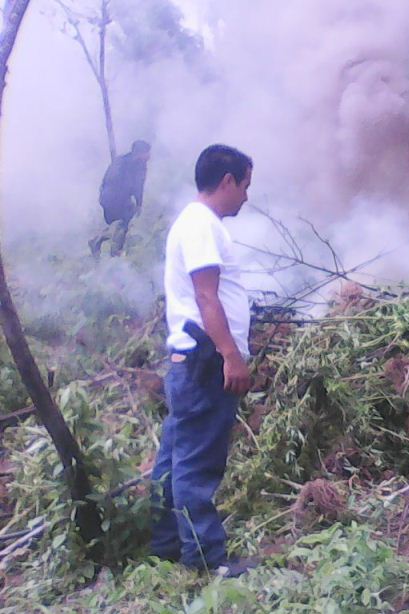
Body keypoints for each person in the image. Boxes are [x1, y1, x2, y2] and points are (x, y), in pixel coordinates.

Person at [150, 144, 255, 577]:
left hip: (191, 359)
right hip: (205, 361)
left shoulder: (196, 224)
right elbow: (206, 296)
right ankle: (207, 562)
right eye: (245, 186)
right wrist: (231, 355)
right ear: (226, 181)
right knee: (197, 464)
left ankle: (165, 547)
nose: (246, 197)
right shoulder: (200, 225)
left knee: (175, 458)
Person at [89, 140, 151, 257]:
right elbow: (112, 182)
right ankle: (112, 249)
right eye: (146, 153)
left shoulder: (138, 165)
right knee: (122, 224)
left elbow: (139, 187)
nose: (149, 156)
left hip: (118, 199)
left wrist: (138, 203)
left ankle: (102, 242)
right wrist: (135, 203)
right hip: (111, 199)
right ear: (139, 153)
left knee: (121, 225)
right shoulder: (124, 164)